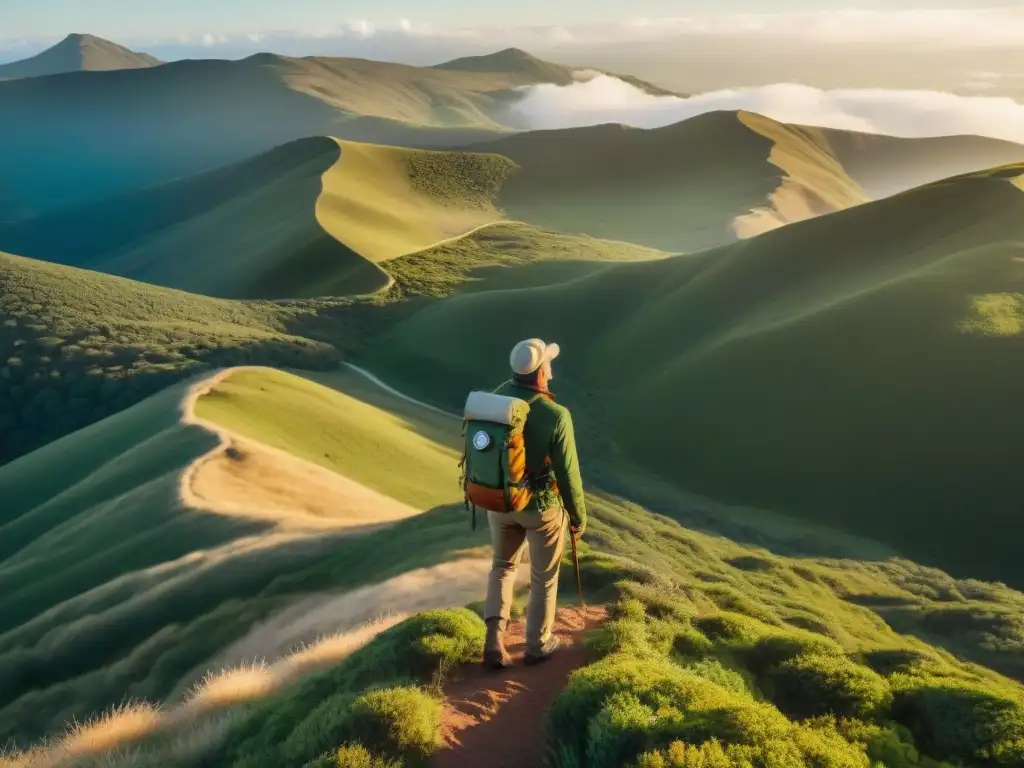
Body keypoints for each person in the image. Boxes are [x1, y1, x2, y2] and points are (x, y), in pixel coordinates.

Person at [483, 338, 587, 669]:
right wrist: (577, 516)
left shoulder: (495, 398)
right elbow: (568, 473)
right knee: (543, 576)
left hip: (498, 500)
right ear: (541, 372)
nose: (551, 370)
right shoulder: (556, 415)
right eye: (549, 365)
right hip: (540, 507)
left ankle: (493, 642)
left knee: (502, 567)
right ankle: (537, 645)